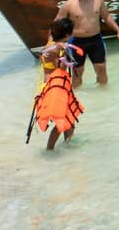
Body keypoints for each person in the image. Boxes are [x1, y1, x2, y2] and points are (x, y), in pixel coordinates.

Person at [52, 0, 119, 86]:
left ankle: (103, 98)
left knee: (101, 70)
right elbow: (56, 23)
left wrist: (118, 31)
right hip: (76, 42)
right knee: (78, 73)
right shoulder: (69, 4)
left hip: (96, 40)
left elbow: (106, 16)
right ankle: (77, 99)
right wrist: (54, 42)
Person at [33, 17, 86, 150]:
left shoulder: (50, 44)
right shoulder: (57, 49)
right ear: (67, 35)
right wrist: (66, 56)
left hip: (50, 86)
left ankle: (68, 145)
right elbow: (61, 69)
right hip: (55, 88)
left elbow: (51, 33)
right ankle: (49, 149)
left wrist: (62, 46)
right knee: (62, 120)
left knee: (70, 117)